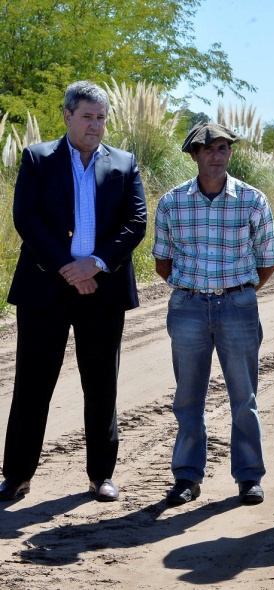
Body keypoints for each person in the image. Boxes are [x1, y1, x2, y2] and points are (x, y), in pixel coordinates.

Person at [0, 81, 147, 502]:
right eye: (87, 116)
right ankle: (17, 475)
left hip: (102, 289)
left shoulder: (124, 163)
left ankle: (101, 475)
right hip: (46, 287)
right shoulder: (38, 158)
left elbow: (135, 223)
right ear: (67, 116)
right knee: (32, 383)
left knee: (101, 385)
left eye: (101, 118)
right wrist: (68, 268)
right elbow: (26, 218)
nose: (95, 125)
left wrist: (95, 264)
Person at [153, 122, 274, 505]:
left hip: (237, 306)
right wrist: (196, 289)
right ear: (194, 155)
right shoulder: (172, 202)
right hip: (188, 306)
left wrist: (238, 291)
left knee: (244, 396)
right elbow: (162, 260)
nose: (216, 155)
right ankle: (187, 477)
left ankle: (248, 477)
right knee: (188, 396)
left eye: (223, 148)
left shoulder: (252, 200)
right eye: (208, 149)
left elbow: (268, 260)